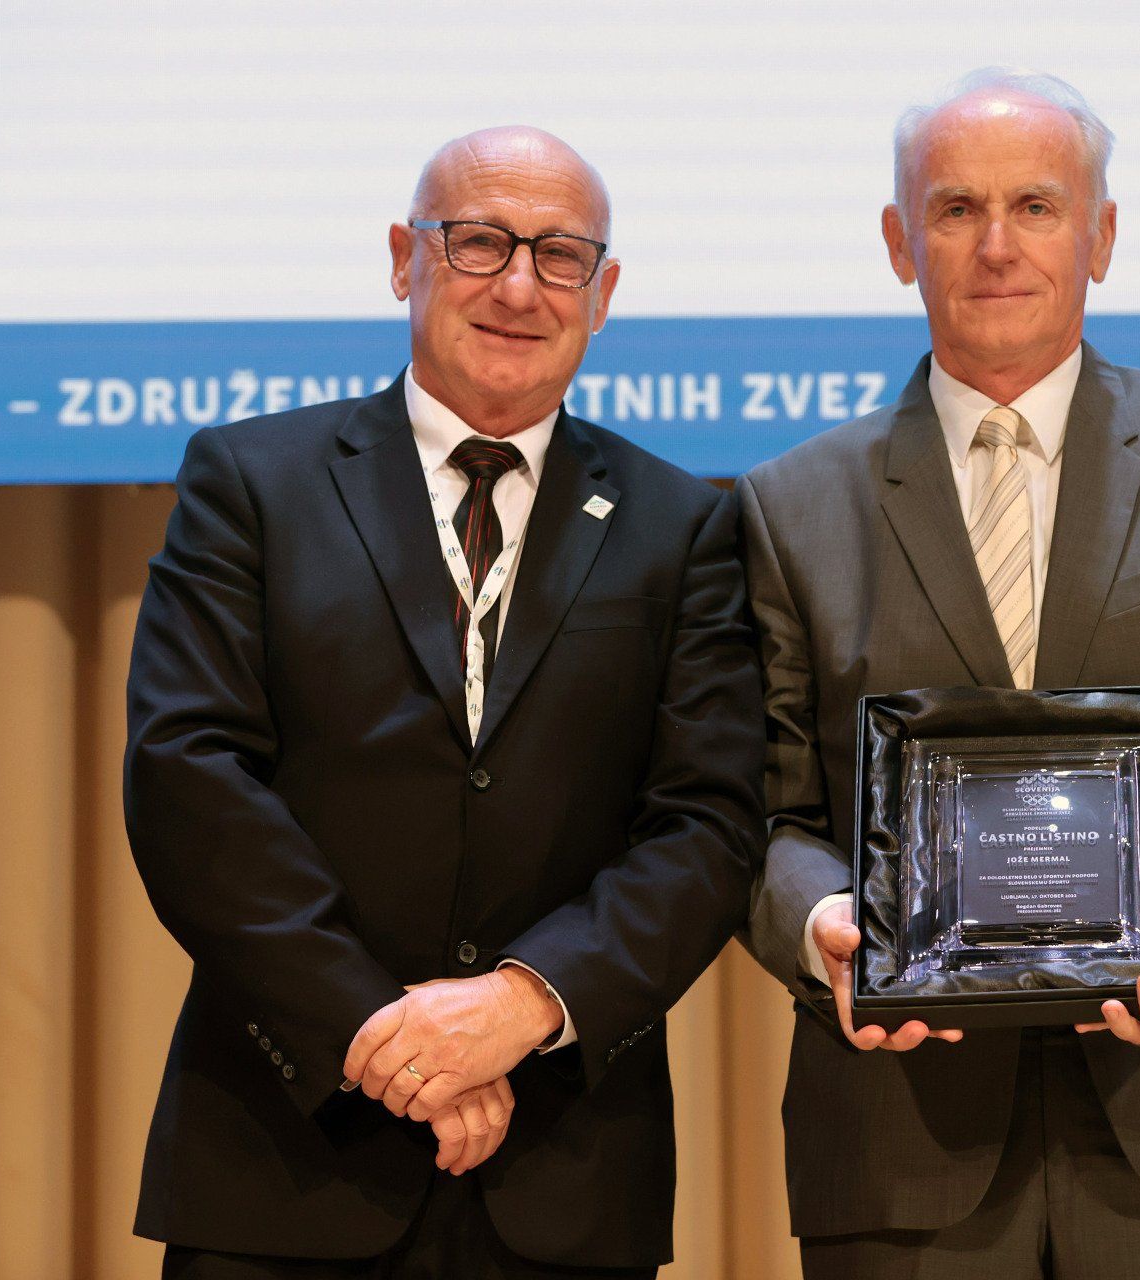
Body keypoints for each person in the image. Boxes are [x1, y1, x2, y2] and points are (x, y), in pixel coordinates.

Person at [738, 69, 1140, 1277]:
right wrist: (825, 924)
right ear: (898, 241)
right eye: (956, 208)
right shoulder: (791, 503)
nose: (997, 245)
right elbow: (764, 811)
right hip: (902, 1130)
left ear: (1101, 236)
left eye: (1035, 205)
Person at [124, 125, 763, 1280]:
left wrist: (522, 1004)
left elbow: (709, 822)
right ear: (402, 258)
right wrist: (378, 1031)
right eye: (478, 242)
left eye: (559, 255)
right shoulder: (251, 481)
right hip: (287, 1158)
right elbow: (189, 780)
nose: (519, 286)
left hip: (560, 1174)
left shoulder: (684, 524)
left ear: (604, 291)